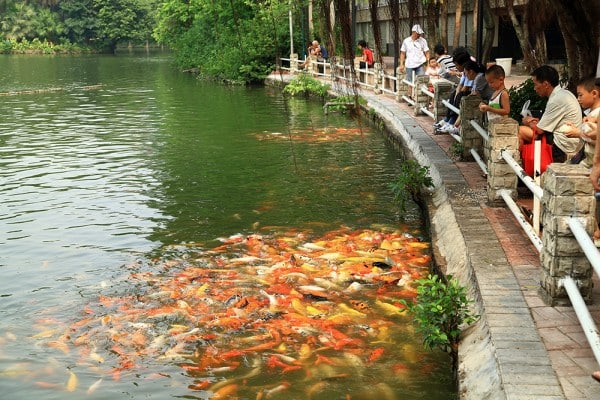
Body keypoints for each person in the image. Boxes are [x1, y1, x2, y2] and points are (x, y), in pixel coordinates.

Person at [518, 65, 582, 162]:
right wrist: (536, 122)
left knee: (520, 130)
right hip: (569, 141)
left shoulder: (556, 99)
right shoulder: (563, 94)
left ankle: (518, 168)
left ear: (546, 84)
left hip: (563, 144)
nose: (535, 88)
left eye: (535, 84)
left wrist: (528, 121)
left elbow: (539, 130)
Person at [438, 60, 492, 135]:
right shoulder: (477, 77)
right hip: (482, 99)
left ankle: (455, 125)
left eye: (465, 73)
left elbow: (474, 95)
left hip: (488, 101)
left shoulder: (479, 78)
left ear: (471, 72)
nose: (465, 76)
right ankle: (455, 125)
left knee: (467, 102)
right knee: (465, 101)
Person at [562, 76, 600, 168]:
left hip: (592, 165)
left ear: (594, 94)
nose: (578, 99)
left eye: (580, 95)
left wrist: (579, 133)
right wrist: (576, 129)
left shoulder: (598, 114)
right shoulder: (590, 114)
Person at [434, 50, 473, 132]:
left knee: (459, 96)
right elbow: (460, 85)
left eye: (456, 65)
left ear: (463, 63)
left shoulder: (471, 70)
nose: (456, 67)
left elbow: (465, 88)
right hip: (467, 91)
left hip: (474, 94)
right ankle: (447, 119)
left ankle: (452, 123)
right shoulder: (465, 70)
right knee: (454, 94)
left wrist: (458, 96)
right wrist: (456, 95)